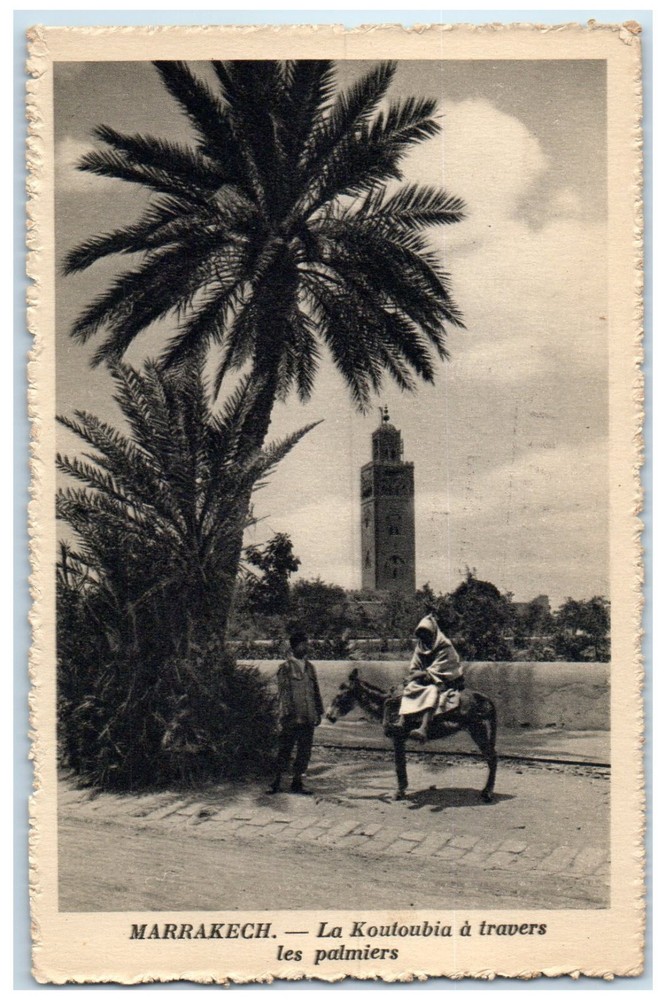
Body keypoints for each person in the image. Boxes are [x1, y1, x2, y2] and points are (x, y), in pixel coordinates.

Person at [267, 629, 324, 795]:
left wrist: (318, 712)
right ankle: (276, 781)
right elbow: (284, 693)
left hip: (308, 716)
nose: (307, 647)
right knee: (285, 749)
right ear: (295, 646)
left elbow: (315, 691)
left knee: (304, 751)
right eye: (303, 644)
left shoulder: (310, 667)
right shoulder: (285, 668)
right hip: (292, 718)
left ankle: (297, 782)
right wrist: (287, 714)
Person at [396, 614, 464, 742]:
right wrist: (413, 676)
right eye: (421, 634)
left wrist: (419, 675)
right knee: (410, 687)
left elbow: (442, 668)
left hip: (444, 681)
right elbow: (415, 666)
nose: (423, 638)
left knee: (432, 691)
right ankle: (402, 720)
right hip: (425, 680)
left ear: (432, 633)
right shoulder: (421, 646)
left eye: (426, 634)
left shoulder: (444, 646)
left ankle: (424, 727)